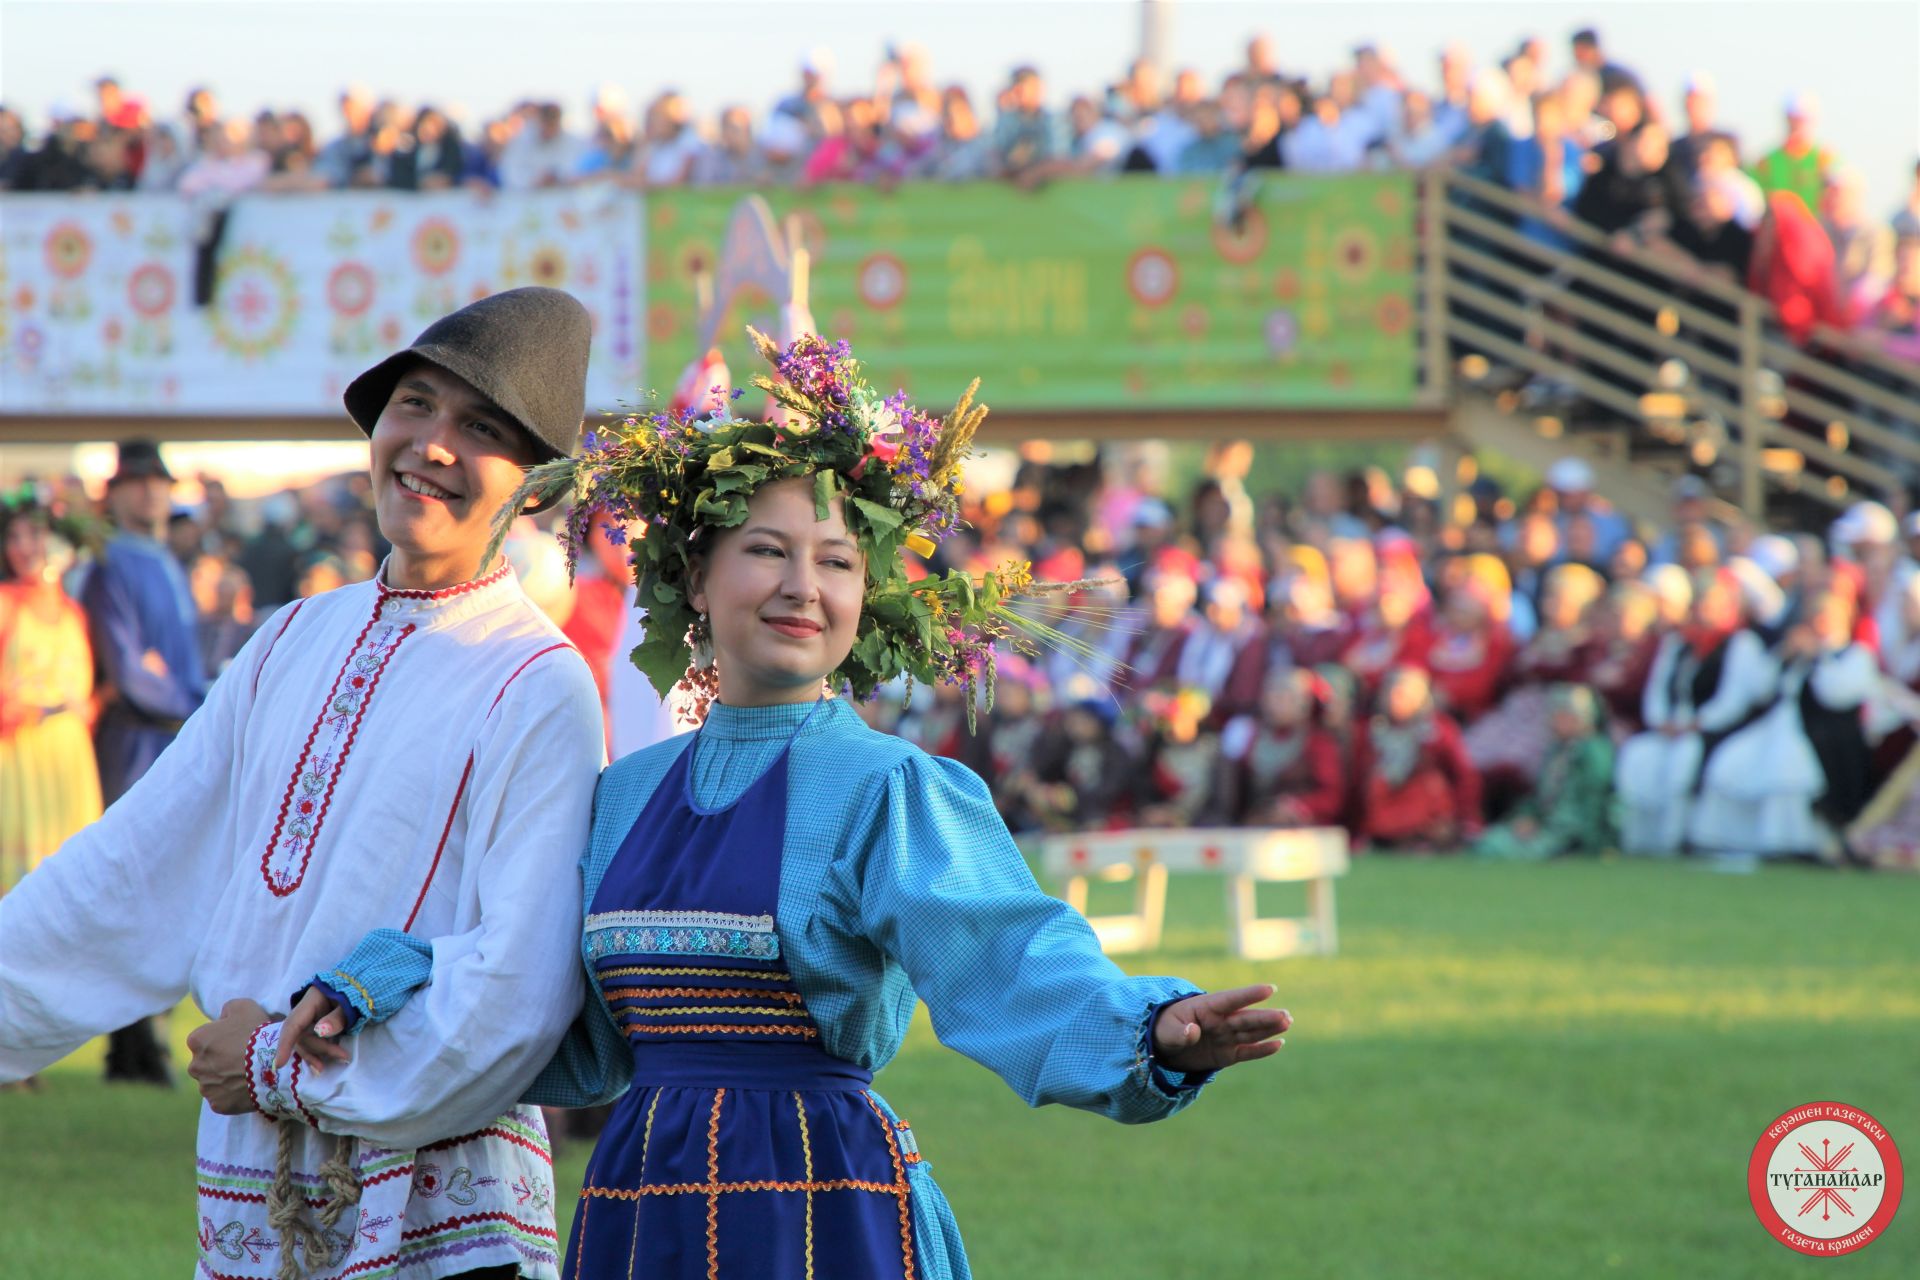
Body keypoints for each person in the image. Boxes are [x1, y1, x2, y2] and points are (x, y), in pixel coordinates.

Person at [273, 329, 1291, 1277]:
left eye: (838, 560)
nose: (804, 584)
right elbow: (556, 1013)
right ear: (693, 581)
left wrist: (1145, 1026)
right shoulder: (623, 795)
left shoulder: (887, 789)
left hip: (821, 1202)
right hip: (642, 1200)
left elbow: (1006, 952)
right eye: (766, 549)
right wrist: (388, 974)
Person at [0, 288, 607, 1280]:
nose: (433, 444)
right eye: (415, 403)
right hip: (254, 1196)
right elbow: (135, 863)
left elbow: (519, 986)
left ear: (535, 488)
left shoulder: (537, 681)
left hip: (444, 1220)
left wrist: (278, 1065)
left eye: (483, 428)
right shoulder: (292, 635)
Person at [78, 439, 208, 1084]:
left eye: (157, 481)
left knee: (161, 892)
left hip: (169, 737)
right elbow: (130, 670)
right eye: (136, 483)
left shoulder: (165, 559)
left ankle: (145, 1040)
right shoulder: (111, 566)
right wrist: (193, 701)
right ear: (116, 494)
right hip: (134, 742)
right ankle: (127, 1048)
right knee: (129, 888)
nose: (150, 492)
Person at [1691, 590, 1875, 862]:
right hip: (1776, 728)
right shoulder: (1795, 654)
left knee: (1787, 770)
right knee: (1729, 762)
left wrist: (1818, 656)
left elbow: (1836, 693)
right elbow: (1761, 689)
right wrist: (1782, 655)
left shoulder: (1855, 655)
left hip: (1819, 737)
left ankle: (1792, 843)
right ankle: (1730, 840)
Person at [1613, 569, 1770, 854]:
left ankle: (1676, 837)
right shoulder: (1678, 643)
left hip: (1710, 730)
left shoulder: (1740, 644)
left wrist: (1699, 723)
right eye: (1699, 601)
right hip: (1673, 726)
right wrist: (1661, 721)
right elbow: (1658, 689)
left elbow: (1734, 700)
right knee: (1639, 755)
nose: (1703, 608)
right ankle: (1639, 839)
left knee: (1684, 760)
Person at [0, 490, 102, 891]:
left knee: (72, 871)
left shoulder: (75, 612)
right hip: (20, 752)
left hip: (71, 756)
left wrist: (86, 706)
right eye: (15, 537)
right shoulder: (6, 605)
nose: (23, 547)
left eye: (34, 535)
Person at [1472, 683, 1615, 860]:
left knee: (1498, 850)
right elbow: (1539, 797)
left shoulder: (1594, 752)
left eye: (1563, 715)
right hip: (1546, 827)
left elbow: (1594, 802)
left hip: (1569, 833)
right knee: (1490, 842)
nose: (1555, 720)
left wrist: (1590, 844)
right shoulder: (1556, 751)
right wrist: (1528, 817)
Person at [1352, 663, 1481, 850]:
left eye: (1406, 693)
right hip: (1380, 810)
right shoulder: (1369, 732)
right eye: (1393, 692)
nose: (1397, 699)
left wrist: (1463, 817)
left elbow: (1464, 776)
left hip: (1427, 815)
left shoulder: (1438, 732)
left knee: (1429, 781)